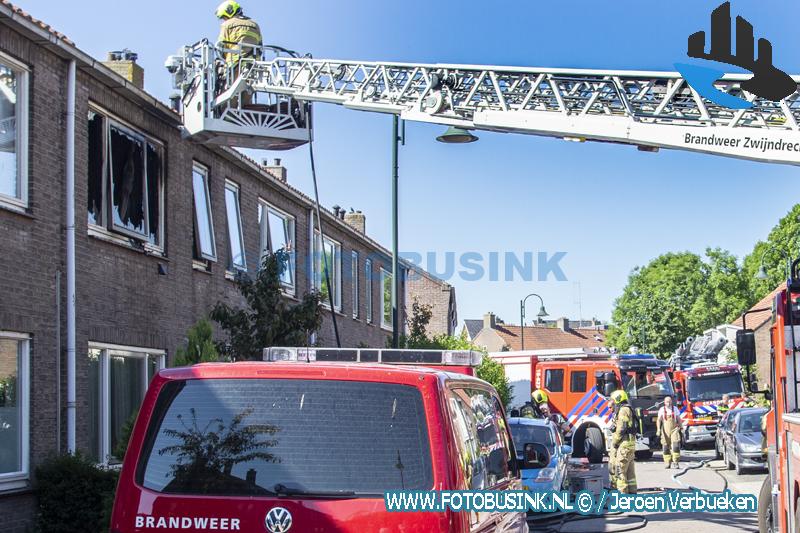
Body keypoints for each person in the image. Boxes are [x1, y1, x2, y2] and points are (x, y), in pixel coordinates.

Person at [216, 1, 263, 65]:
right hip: (255, 65)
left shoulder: (227, 24)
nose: (224, 19)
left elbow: (220, 46)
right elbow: (260, 46)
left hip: (234, 64)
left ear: (229, 12)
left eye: (224, 17)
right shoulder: (255, 25)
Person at [610, 389, 637, 494]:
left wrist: (615, 442)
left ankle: (623, 496)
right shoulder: (629, 409)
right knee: (630, 473)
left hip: (624, 445)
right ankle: (632, 494)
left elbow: (621, 428)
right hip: (630, 445)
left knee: (619, 471)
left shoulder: (623, 410)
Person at [657, 395, 682, 469]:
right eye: (667, 402)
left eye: (670, 401)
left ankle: (676, 462)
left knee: (676, 445)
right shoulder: (662, 409)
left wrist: (681, 427)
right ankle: (667, 462)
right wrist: (658, 429)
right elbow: (659, 420)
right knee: (665, 446)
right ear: (664, 402)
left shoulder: (675, 409)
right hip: (665, 430)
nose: (669, 403)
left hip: (674, 430)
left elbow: (678, 419)